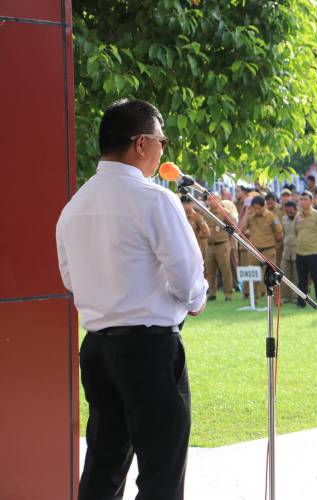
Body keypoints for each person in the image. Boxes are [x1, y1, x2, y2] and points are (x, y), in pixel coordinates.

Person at [56, 99, 206, 499]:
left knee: (104, 463)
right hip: (149, 349)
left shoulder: (74, 207)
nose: (163, 150)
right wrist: (195, 298)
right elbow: (189, 282)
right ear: (141, 143)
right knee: (161, 471)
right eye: (162, 140)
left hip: (98, 349)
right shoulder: (155, 199)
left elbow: (71, 280)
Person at [294, 191, 317, 308]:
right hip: (300, 252)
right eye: (301, 199)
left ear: (311, 201)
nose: (303, 202)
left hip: (314, 252)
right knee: (302, 280)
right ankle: (301, 302)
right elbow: (296, 231)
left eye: (305, 199)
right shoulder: (298, 216)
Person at [241, 195, 283, 299]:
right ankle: (255, 298)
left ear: (264, 206)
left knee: (271, 275)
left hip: (268, 250)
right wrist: (247, 212)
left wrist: (272, 245)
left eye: (258, 208)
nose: (256, 210)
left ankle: (276, 299)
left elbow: (279, 234)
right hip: (255, 251)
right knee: (254, 274)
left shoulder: (271, 217)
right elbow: (240, 229)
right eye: (254, 208)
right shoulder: (251, 217)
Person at [205, 193, 237, 301]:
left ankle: (228, 294)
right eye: (208, 199)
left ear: (218, 200)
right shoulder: (207, 211)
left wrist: (223, 210)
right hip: (210, 245)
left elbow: (233, 222)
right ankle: (212, 293)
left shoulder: (223, 212)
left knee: (225, 271)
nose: (210, 201)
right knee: (209, 270)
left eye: (212, 199)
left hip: (222, 244)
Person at [280, 201, 299, 302]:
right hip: (286, 249)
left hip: (298, 249)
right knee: (285, 273)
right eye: (287, 212)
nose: (289, 213)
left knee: (296, 274)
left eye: (291, 211)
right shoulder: (283, 218)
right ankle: (285, 296)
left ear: (295, 210)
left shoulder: (300, 218)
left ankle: (295, 296)